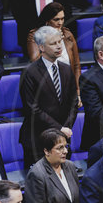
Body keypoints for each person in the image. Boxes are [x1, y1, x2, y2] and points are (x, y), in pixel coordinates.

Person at [19, 26, 78, 168]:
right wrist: (59, 128)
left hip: (63, 139)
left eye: (59, 42)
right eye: (53, 43)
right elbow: (32, 108)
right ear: (41, 47)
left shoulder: (66, 68)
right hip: (37, 141)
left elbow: (74, 101)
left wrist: (66, 127)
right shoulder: (29, 72)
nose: (59, 46)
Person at [26, 2, 81, 104]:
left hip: (67, 87)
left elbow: (76, 66)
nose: (60, 23)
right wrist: (51, 39)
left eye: (62, 19)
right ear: (47, 20)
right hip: (46, 86)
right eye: (56, 19)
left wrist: (77, 92)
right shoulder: (35, 35)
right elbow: (36, 62)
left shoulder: (68, 35)